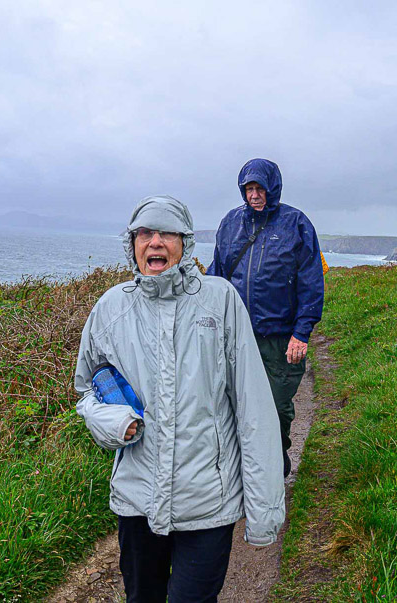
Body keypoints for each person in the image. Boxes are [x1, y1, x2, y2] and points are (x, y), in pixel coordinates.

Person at [75, 195, 285, 602]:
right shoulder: (111, 308)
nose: (155, 242)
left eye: (166, 233)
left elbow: (253, 408)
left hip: (208, 501)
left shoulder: (220, 300)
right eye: (144, 234)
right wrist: (114, 424)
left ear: (184, 243)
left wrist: (264, 511)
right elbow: (86, 391)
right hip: (137, 501)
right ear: (132, 245)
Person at [207, 159, 325, 478]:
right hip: (237, 335)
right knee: (235, 407)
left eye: (260, 188)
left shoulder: (296, 224)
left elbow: (312, 283)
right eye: (249, 189)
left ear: (272, 188)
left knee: (275, 408)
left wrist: (301, 334)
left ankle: (276, 462)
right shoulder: (231, 224)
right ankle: (243, 470)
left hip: (280, 340)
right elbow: (216, 275)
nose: (254, 195)